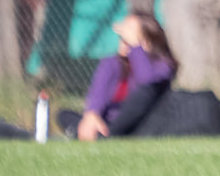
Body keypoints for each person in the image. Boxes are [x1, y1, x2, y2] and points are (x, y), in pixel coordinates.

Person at [57, 12, 177, 141]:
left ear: (146, 43)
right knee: (63, 115)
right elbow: (97, 93)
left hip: (141, 124)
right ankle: (98, 135)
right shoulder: (111, 62)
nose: (123, 40)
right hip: (107, 124)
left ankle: (102, 137)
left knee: (145, 93)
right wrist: (91, 115)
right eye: (122, 38)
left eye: (128, 38)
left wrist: (135, 47)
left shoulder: (163, 66)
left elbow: (145, 82)